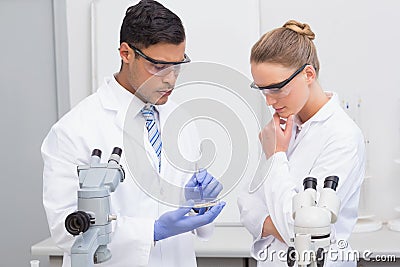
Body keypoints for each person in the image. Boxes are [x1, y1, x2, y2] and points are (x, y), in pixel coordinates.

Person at [41, 1, 225, 266]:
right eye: (159, 66)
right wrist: (151, 231)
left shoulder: (180, 119)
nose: (171, 79)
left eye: (177, 65)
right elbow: (64, 229)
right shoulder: (73, 131)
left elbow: (188, 218)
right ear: (126, 53)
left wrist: (199, 203)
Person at [238, 20, 365, 266]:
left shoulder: (342, 137)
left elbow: (306, 230)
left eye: (277, 88)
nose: (269, 101)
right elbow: (247, 203)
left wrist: (276, 156)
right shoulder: (283, 127)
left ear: (308, 74)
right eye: (263, 90)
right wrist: (283, 226)